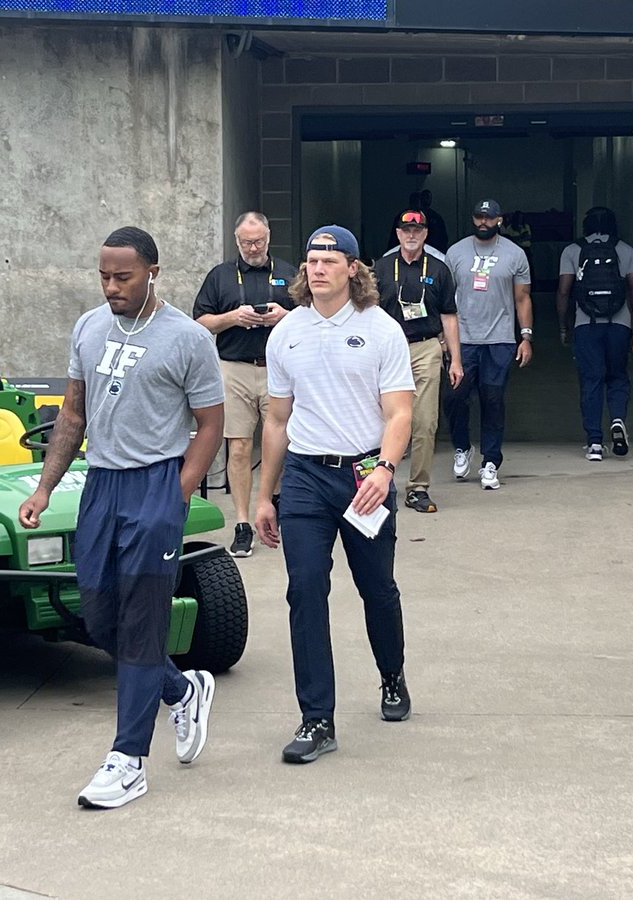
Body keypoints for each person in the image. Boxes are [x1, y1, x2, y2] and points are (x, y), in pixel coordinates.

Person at [18, 226, 225, 809]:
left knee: (140, 623)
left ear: (152, 272)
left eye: (123, 277)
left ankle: (128, 758)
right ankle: (181, 690)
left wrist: (178, 494)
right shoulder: (88, 327)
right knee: (100, 618)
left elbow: (209, 425)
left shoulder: (187, 339)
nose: (111, 287)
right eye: (104, 276)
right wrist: (43, 488)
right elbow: (72, 414)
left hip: (155, 484)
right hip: (101, 485)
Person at [254, 224, 415, 765]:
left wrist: (386, 470)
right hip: (304, 475)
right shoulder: (286, 333)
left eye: (329, 258)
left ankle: (391, 677)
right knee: (304, 590)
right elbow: (277, 421)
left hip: (364, 474)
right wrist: (264, 496)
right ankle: (316, 719)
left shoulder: (381, 329)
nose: (317, 267)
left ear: (352, 268)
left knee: (377, 588)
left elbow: (399, 412)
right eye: (310, 259)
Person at [193, 211, 297, 557]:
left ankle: (273, 506)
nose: (253, 248)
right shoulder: (221, 276)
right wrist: (233, 317)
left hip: (277, 370)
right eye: (246, 242)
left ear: (269, 238)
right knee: (238, 448)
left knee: (277, 444)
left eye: (259, 241)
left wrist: (286, 315)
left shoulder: (287, 273)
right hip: (233, 368)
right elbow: (200, 321)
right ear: (236, 241)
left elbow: (315, 315)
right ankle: (241, 522)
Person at [374, 208, 463, 513]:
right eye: (406, 230)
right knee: (379, 419)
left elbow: (449, 316)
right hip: (387, 351)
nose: (411, 235)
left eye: (418, 231)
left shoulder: (439, 269)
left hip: (426, 347)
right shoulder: (382, 269)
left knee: (425, 421)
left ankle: (418, 487)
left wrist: (455, 360)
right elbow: (366, 313)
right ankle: (376, 483)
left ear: (425, 233)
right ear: (398, 233)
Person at [443, 198, 534, 490]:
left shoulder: (515, 254)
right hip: (463, 339)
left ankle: (490, 461)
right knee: (456, 397)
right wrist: (443, 337)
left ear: (499, 220)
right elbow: (446, 300)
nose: (483, 222)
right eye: (479, 217)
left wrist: (526, 336)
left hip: (500, 339)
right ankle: (462, 447)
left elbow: (522, 298)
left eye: (489, 218)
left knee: (493, 400)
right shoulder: (455, 252)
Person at [556, 206, 633, 461]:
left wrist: (564, 326)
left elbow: (563, 291)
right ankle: (617, 420)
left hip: (586, 324)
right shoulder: (624, 249)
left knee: (591, 380)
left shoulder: (573, 250)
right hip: (620, 324)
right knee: (617, 376)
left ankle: (594, 442)